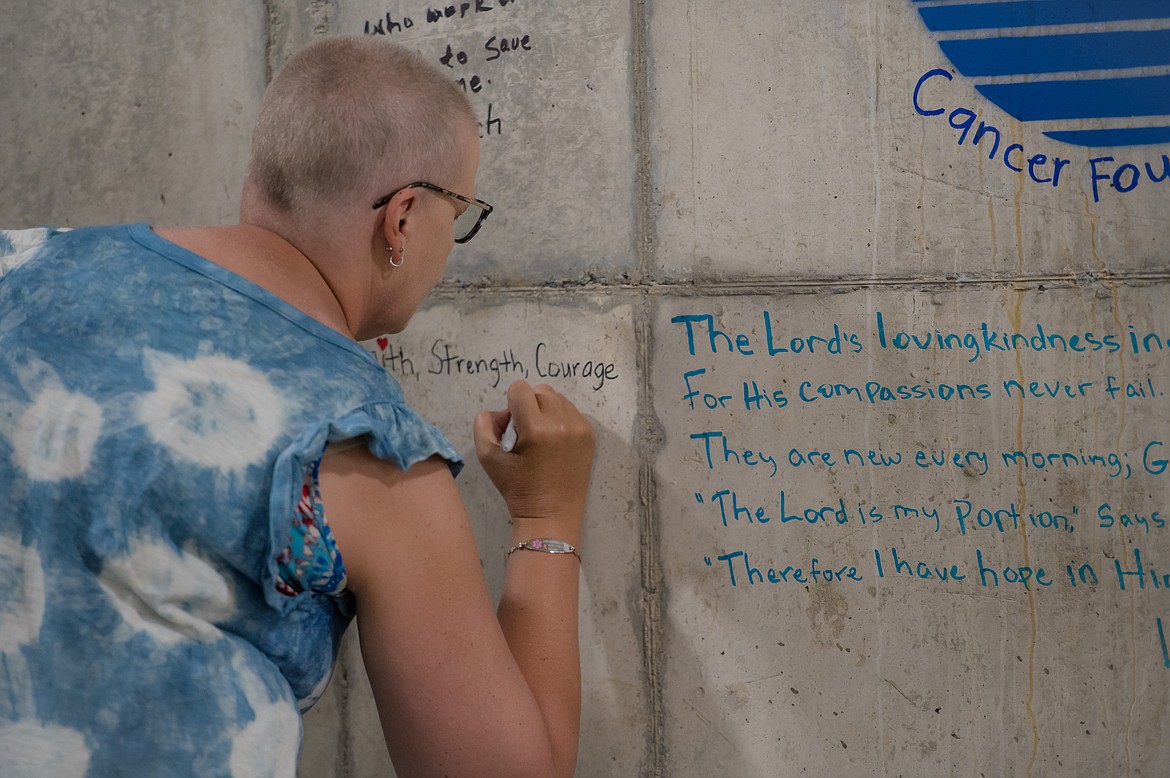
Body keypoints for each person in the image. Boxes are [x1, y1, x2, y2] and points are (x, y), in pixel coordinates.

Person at [0, 34, 594, 777]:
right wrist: (547, 516)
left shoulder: (19, 261)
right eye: (462, 217)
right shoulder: (362, 448)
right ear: (403, 218)